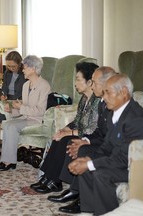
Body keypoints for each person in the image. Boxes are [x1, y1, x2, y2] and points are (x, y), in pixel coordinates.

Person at [68, 73, 143, 215]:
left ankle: (106, 213)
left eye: (108, 92)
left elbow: (122, 159)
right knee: (86, 165)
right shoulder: (114, 113)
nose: (104, 97)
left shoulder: (135, 118)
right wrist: (89, 159)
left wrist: (90, 164)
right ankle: (89, 211)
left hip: (133, 167)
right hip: (120, 161)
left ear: (124, 92)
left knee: (101, 174)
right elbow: (107, 146)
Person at [46, 67, 116, 214]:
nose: (92, 85)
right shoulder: (100, 102)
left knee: (78, 146)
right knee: (76, 143)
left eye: (94, 82)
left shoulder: (105, 103)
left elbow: (100, 132)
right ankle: (65, 185)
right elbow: (97, 131)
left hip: (110, 148)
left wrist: (82, 139)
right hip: (97, 139)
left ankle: (77, 193)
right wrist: (80, 137)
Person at [30, 62, 100, 193]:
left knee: (64, 141)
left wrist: (69, 133)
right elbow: (77, 120)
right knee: (58, 138)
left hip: (91, 136)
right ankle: (48, 176)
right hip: (81, 131)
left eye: (78, 80)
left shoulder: (97, 101)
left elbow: (91, 129)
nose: (75, 83)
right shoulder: (84, 99)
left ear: (90, 82)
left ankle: (55, 181)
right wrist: (64, 130)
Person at [0, 55, 51, 171]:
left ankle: (8, 162)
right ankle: (8, 161)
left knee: (11, 126)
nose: (22, 70)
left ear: (33, 69)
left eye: (24, 67)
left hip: (37, 120)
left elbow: (41, 111)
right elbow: (23, 108)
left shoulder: (44, 86)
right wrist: (12, 110)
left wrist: (21, 107)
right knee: (7, 123)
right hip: (26, 118)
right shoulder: (26, 85)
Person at [0, 51, 27, 155]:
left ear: (19, 64)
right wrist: (3, 95)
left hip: (19, 101)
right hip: (8, 100)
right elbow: (4, 87)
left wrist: (13, 101)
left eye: (13, 66)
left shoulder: (25, 74)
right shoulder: (7, 73)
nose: (11, 68)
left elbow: (24, 92)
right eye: (9, 66)